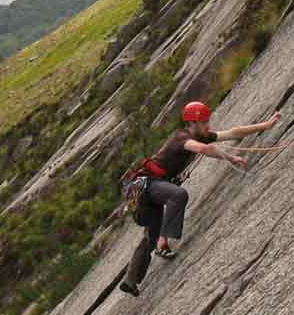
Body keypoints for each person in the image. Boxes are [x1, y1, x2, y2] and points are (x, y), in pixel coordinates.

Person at [119, 101, 278, 295]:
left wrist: (266, 125)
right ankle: (163, 239)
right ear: (192, 123)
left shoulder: (201, 135)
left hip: (147, 197)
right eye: (204, 122)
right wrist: (229, 157)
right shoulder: (182, 137)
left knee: (149, 240)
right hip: (145, 187)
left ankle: (130, 280)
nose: (208, 125)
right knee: (179, 195)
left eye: (207, 121)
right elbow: (201, 149)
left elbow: (233, 133)